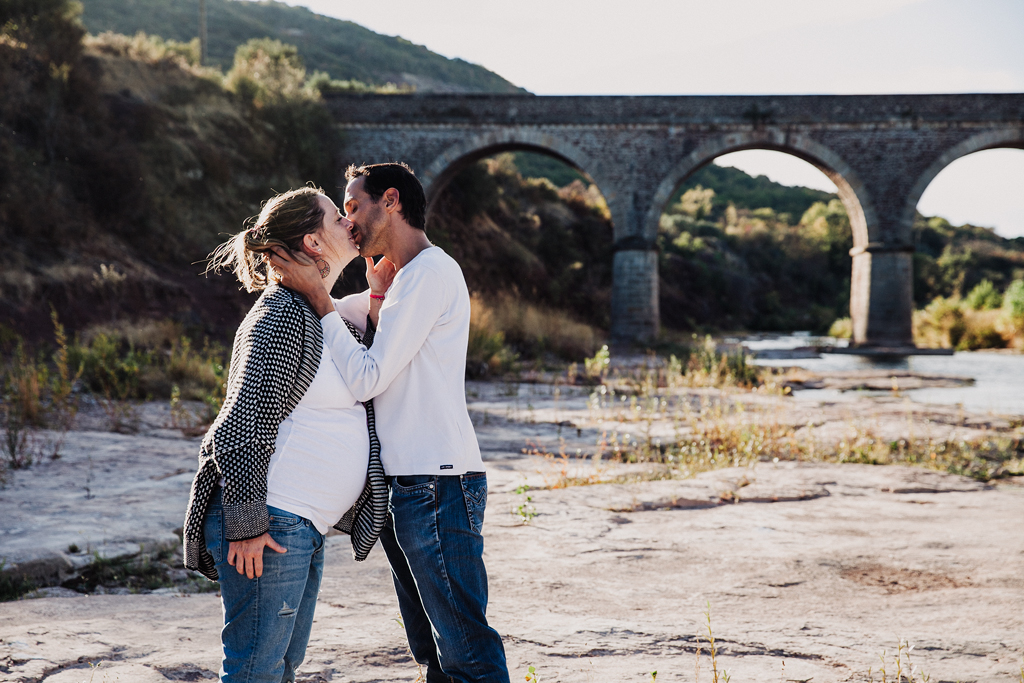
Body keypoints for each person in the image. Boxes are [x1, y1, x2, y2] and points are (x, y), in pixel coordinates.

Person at [271, 163, 510, 683]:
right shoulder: (402, 280)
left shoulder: (430, 272)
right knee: (433, 651)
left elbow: (366, 377)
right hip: (409, 485)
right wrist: (331, 286)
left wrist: (318, 299)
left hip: (438, 482)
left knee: (466, 647)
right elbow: (334, 312)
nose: (349, 220)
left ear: (392, 201)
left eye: (354, 206)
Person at [182, 186, 391, 683]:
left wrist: (379, 286)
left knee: (278, 669)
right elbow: (238, 426)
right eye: (338, 217)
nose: (349, 222)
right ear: (314, 242)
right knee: (256, 671)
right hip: (272, 523)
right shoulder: (281, 315)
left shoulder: (319, 313)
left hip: (300, 526)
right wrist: (249, 523)